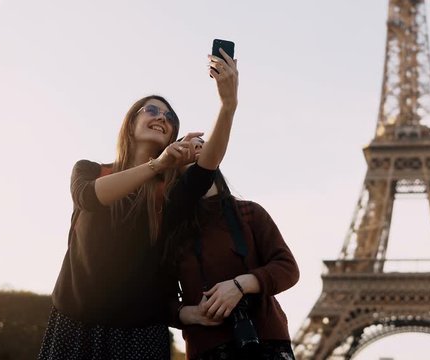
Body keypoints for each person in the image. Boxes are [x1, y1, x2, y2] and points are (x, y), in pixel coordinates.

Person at [38, 48, 239, 359]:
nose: (162, 117)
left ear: (173, 134)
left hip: (140, 335)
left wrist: (228, 105)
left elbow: (208, 165)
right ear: (130, 123)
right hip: (74, 325)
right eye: (152, 110)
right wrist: (156, 166)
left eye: (170, 118)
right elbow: (90, 197)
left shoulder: (171, 194)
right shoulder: (89, 170)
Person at [161, 169, 300, 359]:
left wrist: (240, 286)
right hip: (207, 348)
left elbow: (288, 268)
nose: (197, 154)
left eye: (202, 149)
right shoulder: (172, 233)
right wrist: (194, 314)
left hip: (264, 340)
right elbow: (159, 303)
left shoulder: (250, 212)